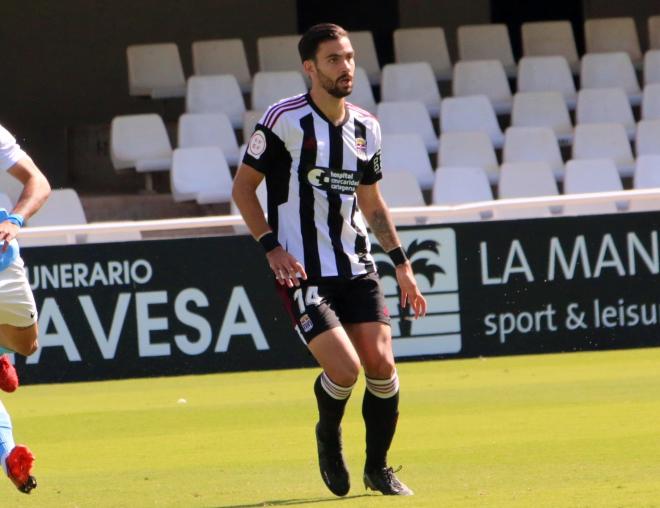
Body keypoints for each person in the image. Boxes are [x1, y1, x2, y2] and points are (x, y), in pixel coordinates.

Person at [232, 23, 426, 497]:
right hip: (302, 270)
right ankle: (327, 435)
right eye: (334, 59)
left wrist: (401, 263)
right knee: (344, 371)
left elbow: (373, 203)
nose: (346, 67)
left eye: (350, 57)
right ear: (309, 67)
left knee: (381, 365)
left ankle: (377, 467)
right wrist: (271, 247)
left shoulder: (367, 127)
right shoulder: (283, 120)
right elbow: (243, 190)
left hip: (357, 265)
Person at [0, 122, 51, 493]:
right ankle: (7, 453)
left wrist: (16, 218)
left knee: (27, 345)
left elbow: (38, 182)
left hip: (3, 262)